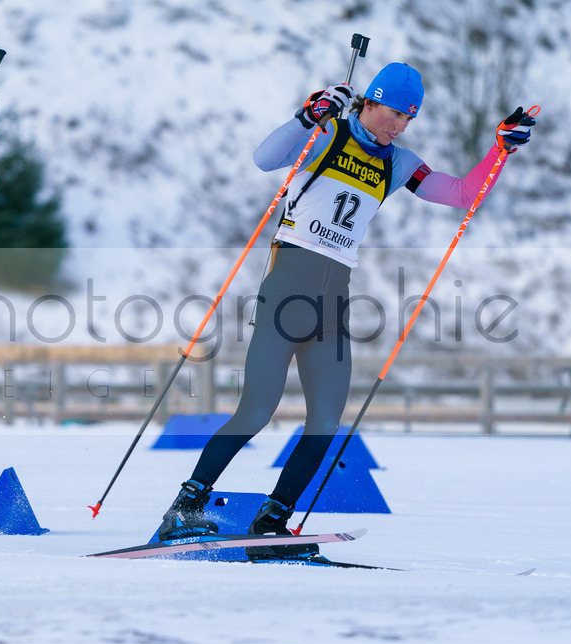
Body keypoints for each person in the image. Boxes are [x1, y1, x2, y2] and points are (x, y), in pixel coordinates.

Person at [157, 63, 534, 557]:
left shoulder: (399, 163)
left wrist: (500, 150)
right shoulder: (329, 132)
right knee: (256, 411)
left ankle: (273, 522)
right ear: (370, 101)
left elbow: (463, 194)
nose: (398, 125)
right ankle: (183, 510)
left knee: (327, 422)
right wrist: (306, 116)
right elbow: (264, 158)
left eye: (409, 117)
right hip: (285, 297)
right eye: (394, 113)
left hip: (333, 308)